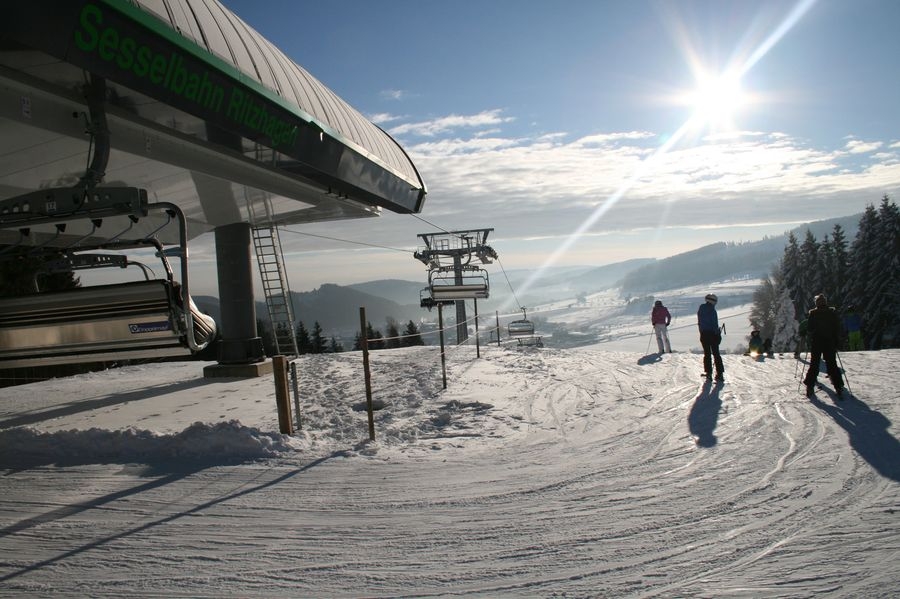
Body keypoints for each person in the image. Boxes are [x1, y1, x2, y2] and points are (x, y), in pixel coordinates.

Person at [803, 294, 844, 397]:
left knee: (814, 364)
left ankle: (810, 386)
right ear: (825, 302)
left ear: (816, 303)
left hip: (817, 342)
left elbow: (809, 329)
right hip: (829, 342)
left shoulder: (813, 313)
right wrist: (836, 341)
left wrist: (809, 335)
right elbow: (836, 328)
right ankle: (838, 386)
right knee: (832, 364)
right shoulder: (831, 313)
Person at [697, 293, 724, 381]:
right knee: (716, 354)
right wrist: (718, 335)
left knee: (707, 354)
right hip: (712, 334)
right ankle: (720, 374)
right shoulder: (712, 310)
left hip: (704, 334)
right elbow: (714, 324)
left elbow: (700, 323)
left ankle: (708, 373)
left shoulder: (701, 308)